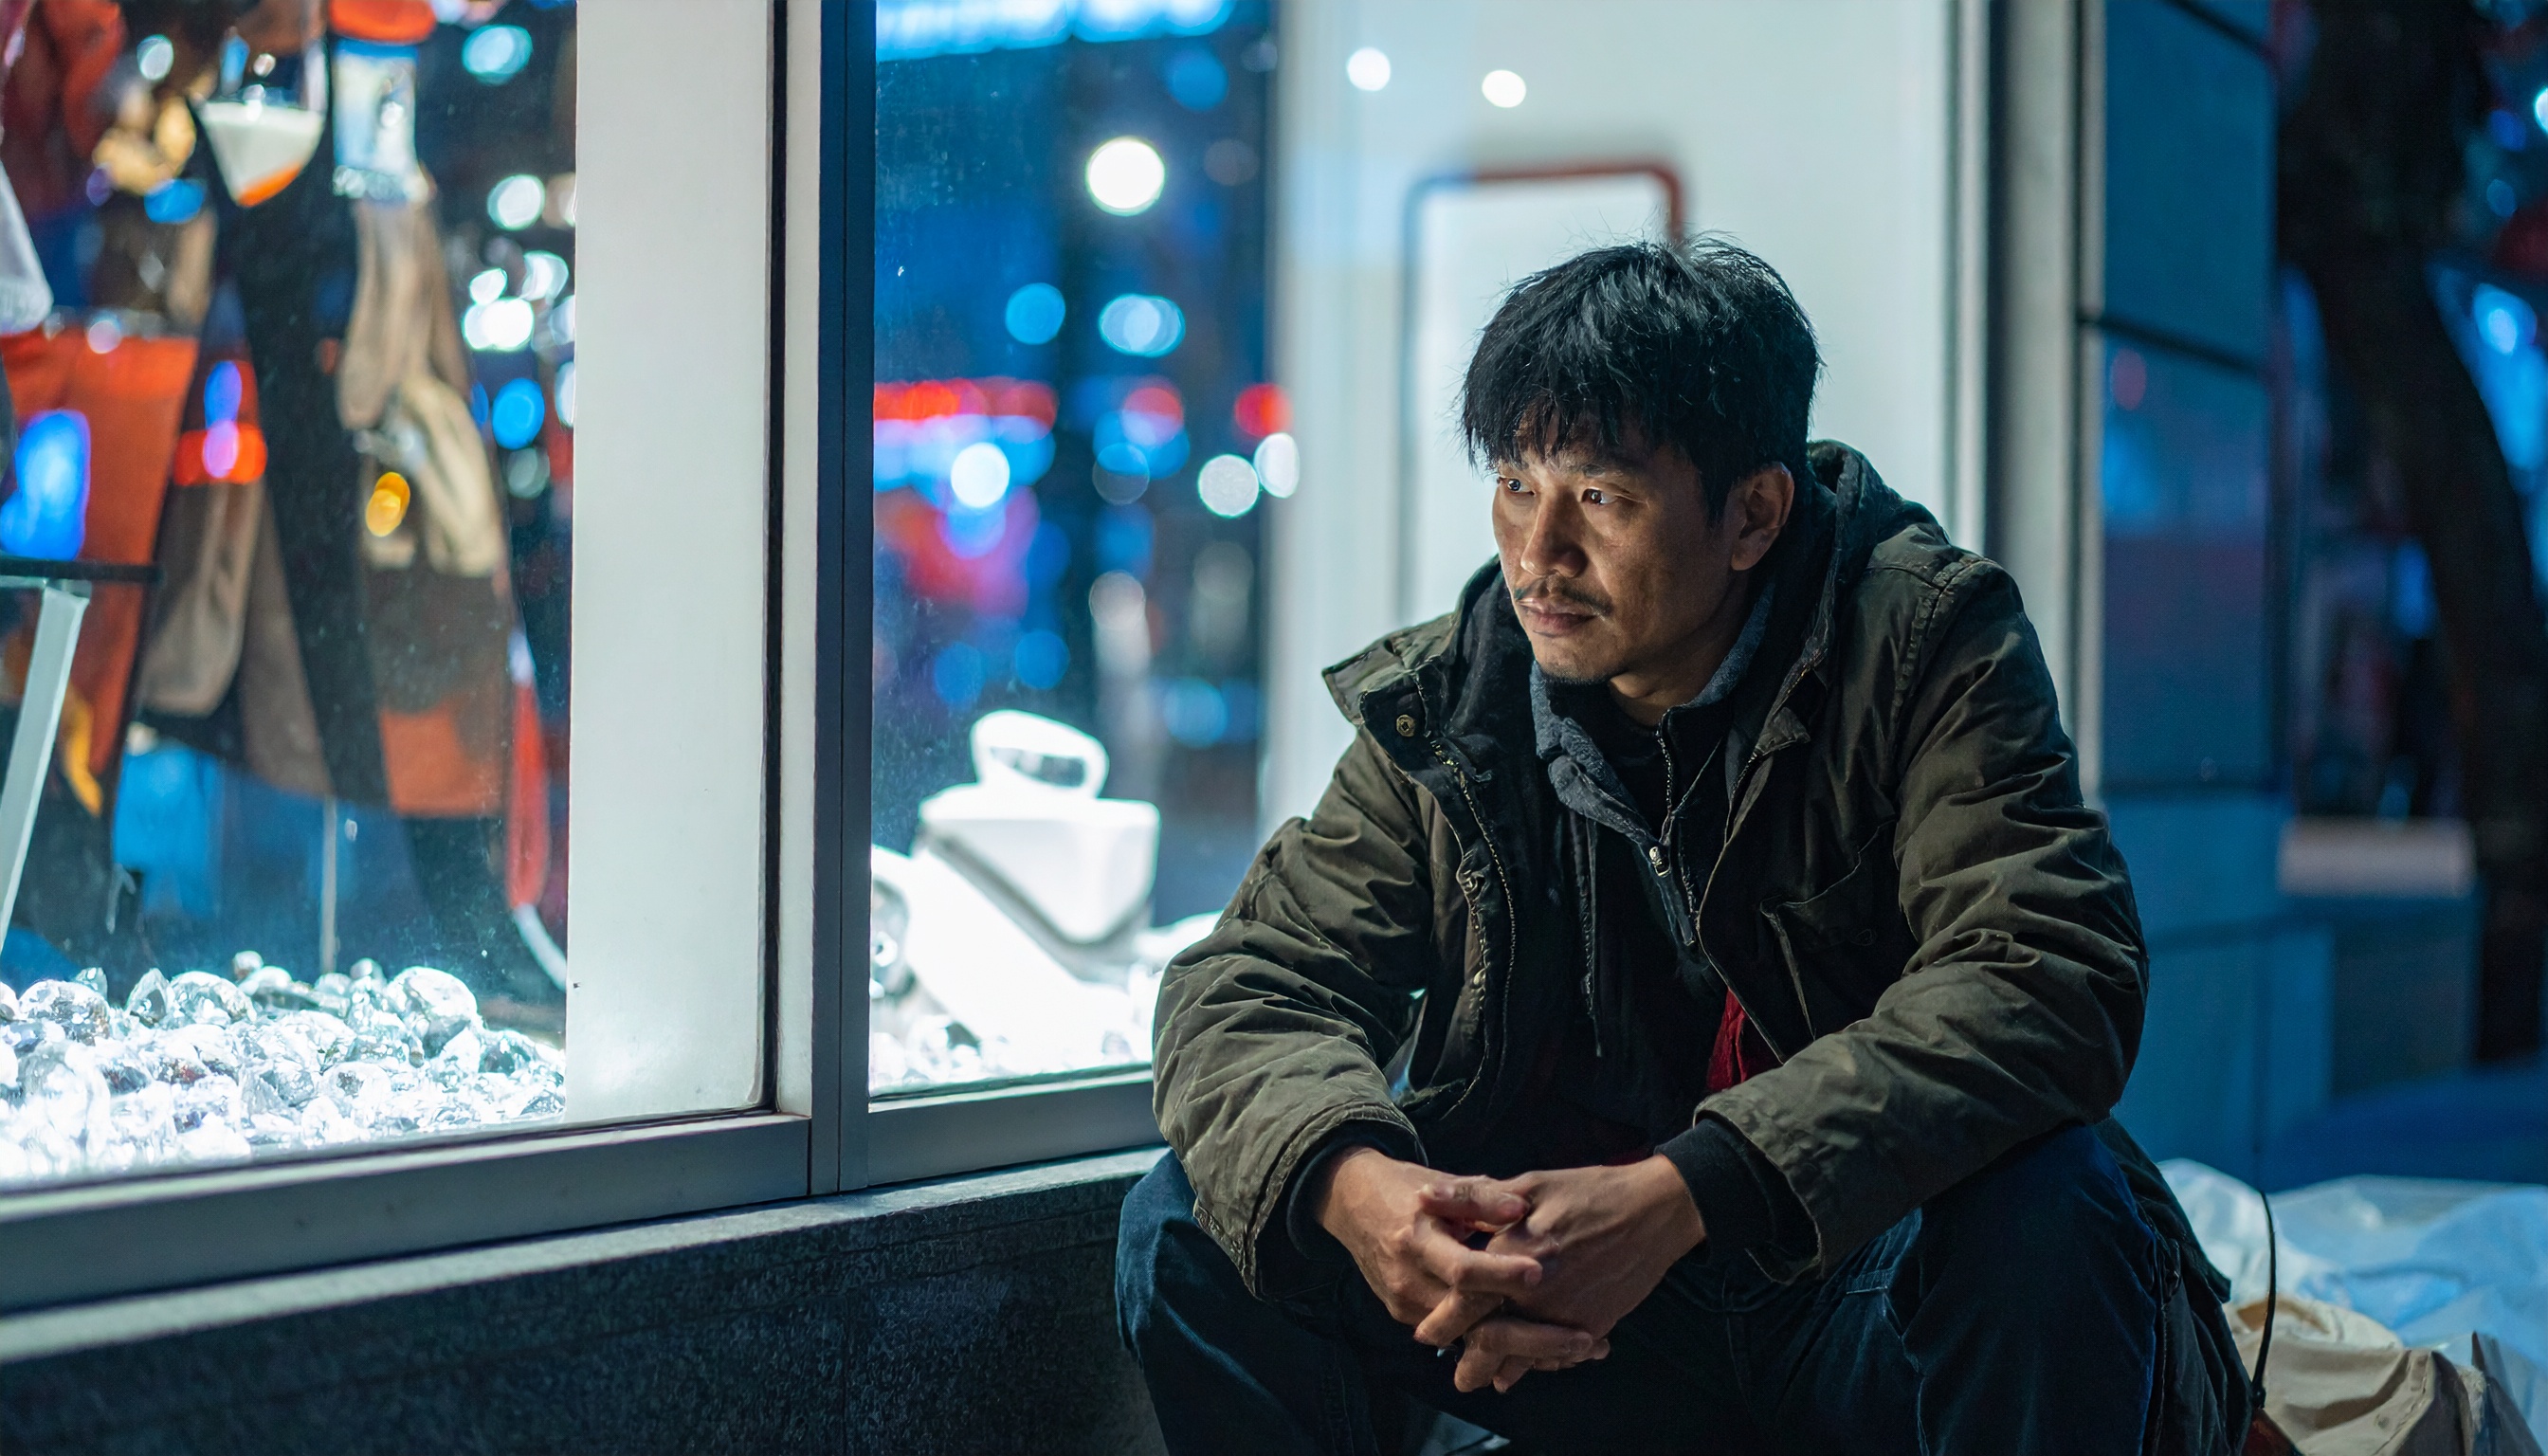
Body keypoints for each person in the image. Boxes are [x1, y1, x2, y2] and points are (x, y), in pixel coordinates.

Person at [1116, 240, 2253, 1455]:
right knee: (1192, 1219)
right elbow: (1246, 982)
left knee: (2046, 1207)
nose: (1538, 554)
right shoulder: (1465, 699)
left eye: (1601, 499)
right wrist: (1364, 1189)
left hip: (1853, 1286)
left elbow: (2049, 972)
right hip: (1589, 1322)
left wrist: (1686, 1195)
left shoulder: (1926, 642)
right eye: (1514, 482)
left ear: (1753, 513)